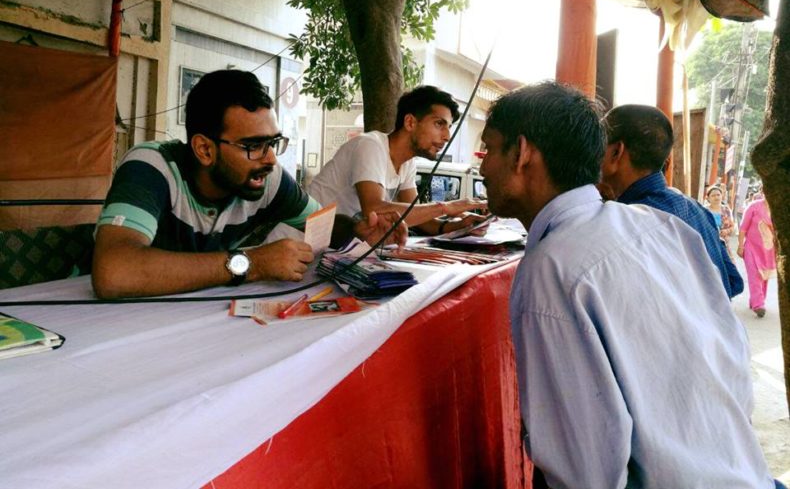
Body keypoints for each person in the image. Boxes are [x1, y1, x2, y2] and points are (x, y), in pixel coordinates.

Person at [479, 82, 777, 489]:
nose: (482, 167)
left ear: (523, 153)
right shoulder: (662, 226)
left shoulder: (551, 267)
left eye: (490, 148)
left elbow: (583, 471)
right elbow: (733, 358)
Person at [92, 70, 406, 299]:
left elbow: (319, 225)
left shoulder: (264, 178)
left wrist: (357, 230)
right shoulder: (152, 167)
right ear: (205, 149)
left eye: (272, 142)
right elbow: (114, 273)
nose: (270, 158)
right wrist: (252, 264)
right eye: (253, 145)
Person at [600, 104, 743, 299]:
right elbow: (734, 282)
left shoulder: (623, 222)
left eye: (598, 147)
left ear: (616, 152)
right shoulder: (697, 209)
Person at [308, 85, 487, 236]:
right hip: (299, 244)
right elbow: (374, 209)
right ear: (410, 122)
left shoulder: (407, 163)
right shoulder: (370, 145)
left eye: (448, 127)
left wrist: (460, 226)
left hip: (332, 248)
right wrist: (446, 207)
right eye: (439, 124)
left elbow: (418, 219)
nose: (447, 136)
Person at [738, 193, 777, 318]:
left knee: (764, 276)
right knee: (754, 275)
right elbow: (743, 228)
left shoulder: (778, 209)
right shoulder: (753, 206)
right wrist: (740, 245)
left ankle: (755, 301)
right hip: (751, 247)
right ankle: (758, 305)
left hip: (769, 249)